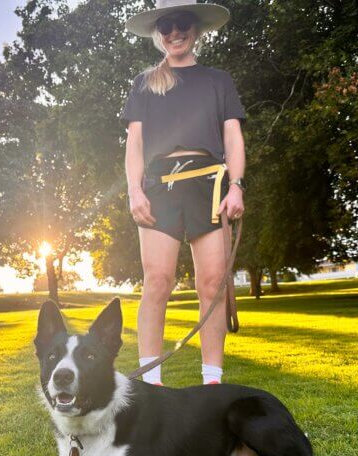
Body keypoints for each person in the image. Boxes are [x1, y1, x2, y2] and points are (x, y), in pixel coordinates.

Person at [122, 0, 246, 386]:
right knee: (157, 281)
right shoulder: (145, 82)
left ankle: (212, 383)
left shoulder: (217, 79)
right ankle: (151, 384)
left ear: (196, 28)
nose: (174, 31)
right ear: (159, 35)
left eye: (182, 23)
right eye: (166, 25)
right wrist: (134, 192)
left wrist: (237, 185)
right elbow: (135, 143)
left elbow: (232, 135)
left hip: (209, 184)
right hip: (159, 186)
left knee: (211, 284)